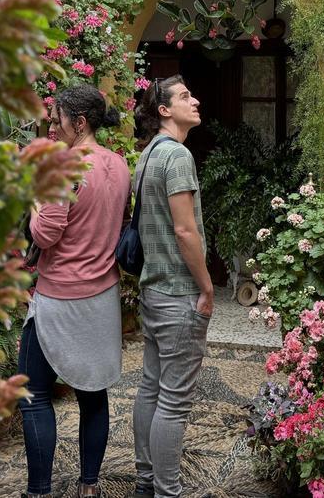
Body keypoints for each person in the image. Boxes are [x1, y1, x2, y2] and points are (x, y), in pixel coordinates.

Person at [19, 84, 130, 498]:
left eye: (55, 118)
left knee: (32, 394)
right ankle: (89, 486)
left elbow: (45, 234)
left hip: (59, 296)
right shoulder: (119, 165)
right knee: (93, 393)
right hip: (101, 297)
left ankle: (39, 490)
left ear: (78, 122)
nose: (50, 125)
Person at [130, 76, 211, 498]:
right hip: (179, 292)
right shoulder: (176, 155)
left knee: (150, 387)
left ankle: (146, 482)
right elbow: (184, 230)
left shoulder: (147, 155)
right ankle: (167, 491)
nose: (194, 100)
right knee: (173, 401)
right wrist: (208, 289)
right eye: (184, 96)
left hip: (153, 289)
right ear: (163, 110)